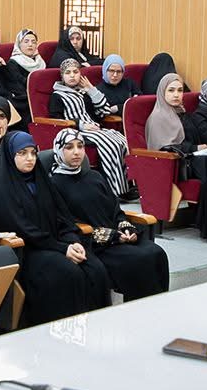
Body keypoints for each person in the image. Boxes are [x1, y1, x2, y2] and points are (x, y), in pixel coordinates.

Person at [0, 132, 112, 325]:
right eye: (22, 153)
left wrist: (73, 241)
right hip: (27, 252)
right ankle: (66, 333)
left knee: (96, 268)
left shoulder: (41, 180)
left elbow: (62, 218)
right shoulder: (0, 190)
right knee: (70, 273)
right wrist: (63, 248)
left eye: (33, 153)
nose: (30, 158)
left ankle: (97, 328)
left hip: (55, 244)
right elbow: (25, 231)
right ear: (10, 156)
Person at [47, 129, 168, 301]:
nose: (76, 152)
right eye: (69, 147)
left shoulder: (95, 176)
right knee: (140, 259)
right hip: (93, 244)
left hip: (118, 238)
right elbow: (68, 225)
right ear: (59, 150)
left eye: (80, 146)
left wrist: (126, 228)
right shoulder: (54, 184)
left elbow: (115, 209)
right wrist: (113, 237)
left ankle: (160, 306)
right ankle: (140, 310)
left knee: (157, 253)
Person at [144, 72, 207, 244]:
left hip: (193, 157)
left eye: (180, 90)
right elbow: (165, 147)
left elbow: (193, 138)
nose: (176, 95)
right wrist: (195, 148)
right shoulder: (158, 116)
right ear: (162, 92)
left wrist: (199, 147)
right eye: (171, 90)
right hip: (177, 163)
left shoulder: (181, 112)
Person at [49, 58, 130, 198]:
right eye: (68, 73)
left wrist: (92, 90)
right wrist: (80, 124)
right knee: (109, 145)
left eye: (76, 72)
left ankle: (127, 185)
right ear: (62, 76)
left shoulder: (84, 93)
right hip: (76, 132)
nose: (72, 75)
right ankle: (115, 190)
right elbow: (56, 119)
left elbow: (104, 111)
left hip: (94, 129)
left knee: (122, 140)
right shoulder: (57, 96)